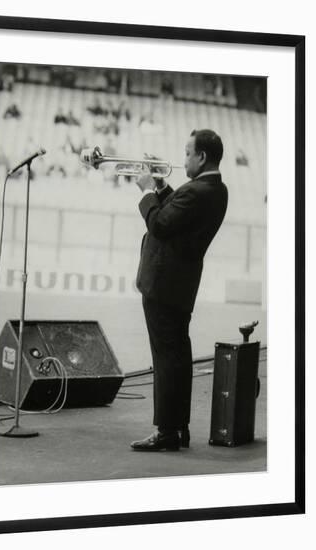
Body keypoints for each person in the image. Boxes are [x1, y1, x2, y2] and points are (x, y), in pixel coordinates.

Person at [131, 129, 228, 452]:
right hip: (179, 285)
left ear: (201, 157)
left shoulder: (199, 191)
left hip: (163, 283)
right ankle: (178, 426)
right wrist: (160, 186)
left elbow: (160, 224)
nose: (182, 159)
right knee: (177, 357)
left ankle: (167, 431)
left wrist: (147, 192)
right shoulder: (213, 188)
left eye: (187, 153)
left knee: (166, 358)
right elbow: (177, 214)